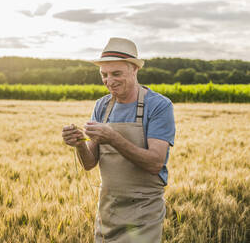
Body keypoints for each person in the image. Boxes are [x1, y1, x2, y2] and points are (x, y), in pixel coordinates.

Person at [62, 37, 175, 243]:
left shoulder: (159, 106)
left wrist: (113, 138)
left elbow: (155, 163)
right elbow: (89, 163)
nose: (109, 81)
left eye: (116, 74)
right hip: (108, 209)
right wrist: (79, 144)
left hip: (144, 211)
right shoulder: (101, 106)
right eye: (104, 75)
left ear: (134, 70)